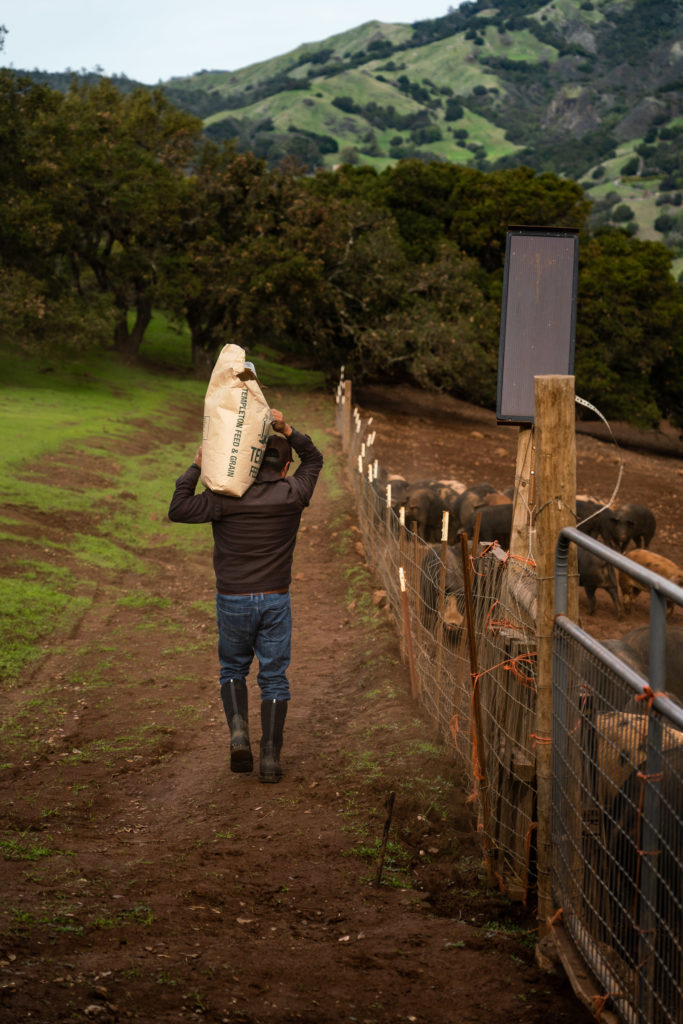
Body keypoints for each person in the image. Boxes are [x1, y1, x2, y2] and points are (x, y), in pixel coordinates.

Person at [168, 409, 323, 783]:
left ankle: (239, 735)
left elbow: (178, 508)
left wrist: (196, 466)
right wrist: (287, 428)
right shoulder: (293, 493)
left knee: (233, 669)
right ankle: (270, 759)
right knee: (274, 677)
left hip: (232, 599)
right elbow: (315, 458)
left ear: (250, 463)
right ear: (286, 467)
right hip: (275, 599)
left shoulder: (224, 497)